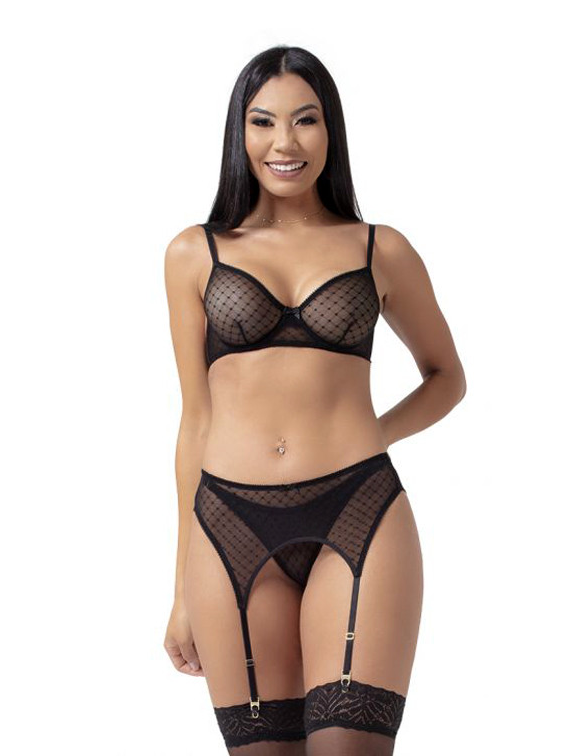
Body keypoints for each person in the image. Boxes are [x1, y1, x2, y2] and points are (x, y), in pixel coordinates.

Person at [162, 45, 466, 755]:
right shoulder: (193, 254)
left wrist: (377, 432)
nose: (285, 143)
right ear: (240, 133)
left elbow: (446, 377)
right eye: (263, 122)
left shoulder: (379, 249)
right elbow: (195, 420)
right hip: (228, 523)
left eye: (305, 120)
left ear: (331, 130)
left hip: (358, 508)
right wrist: (179, 589)